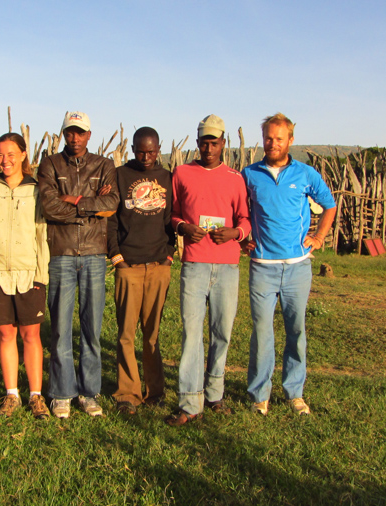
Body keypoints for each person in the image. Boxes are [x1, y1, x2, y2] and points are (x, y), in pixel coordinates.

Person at [243, 113, 336, 416]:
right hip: (262, 266)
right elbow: (239, 211)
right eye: (268, 138)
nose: (272, 144)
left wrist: (319, 237)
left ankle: (294, 392)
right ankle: (260, 394)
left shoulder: (306, 174)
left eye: (278, 139)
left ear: (290, 140)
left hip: (297, 266)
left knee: (296, 330)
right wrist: (243, 238)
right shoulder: (249, 174)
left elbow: (330, 204)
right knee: (261, 332)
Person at [167, 114, 251, 427]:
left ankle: (215, 394)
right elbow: (172, 214)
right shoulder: (182, 173)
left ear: (223, 144)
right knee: (192, 333)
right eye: (204, 142)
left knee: (222, 332)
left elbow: (245, 219)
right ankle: (190, 401)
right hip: (195, 263)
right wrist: (184, 227)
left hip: (227, 265)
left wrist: (234, 234)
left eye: (214, 142)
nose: (209, 148)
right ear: (198, 142)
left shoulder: (234, 178)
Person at [38, 111, 119, 418]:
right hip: (61, 253)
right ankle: (61, 392)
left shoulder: (104, 165)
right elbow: (49, 206)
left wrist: (73, 200)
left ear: (89, 134)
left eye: (80, 133)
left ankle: (88, 391)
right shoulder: (50, 165)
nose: (74, 138)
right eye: (69, 133)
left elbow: (111, 204)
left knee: (92, 327)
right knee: (59, 327)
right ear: (63, 134)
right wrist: (89, 204)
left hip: (95, 254)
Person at [0, 133, 51, 420]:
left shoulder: (35, 191)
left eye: (10, 154)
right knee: (6, 334)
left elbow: (42, 233)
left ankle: (36, 395)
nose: (5, 160)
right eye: (0, 155)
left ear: (22, 155)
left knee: (31, 334)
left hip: (28, 272)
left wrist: (40, 275)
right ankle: (11, 394)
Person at [107, 127, 175, 415]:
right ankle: (127, 393)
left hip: (159, 265)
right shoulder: (120, 176)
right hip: (129, 265)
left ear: (159, 148)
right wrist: (116, 255)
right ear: (132, 148)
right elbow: (110, 219)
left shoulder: (167, 178)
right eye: (140, 151)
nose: (146, 156)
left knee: (153, 333)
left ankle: (155, 390)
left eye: (151, 151)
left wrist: (170, 254)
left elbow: (172, 217)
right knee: (126, 332)